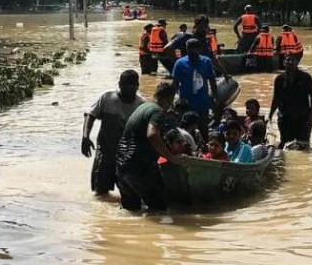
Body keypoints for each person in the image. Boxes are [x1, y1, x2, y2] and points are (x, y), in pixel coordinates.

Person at [116, 82, 185, 211]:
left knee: (131, 211)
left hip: (122, 166)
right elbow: (152, 134)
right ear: (169, 99)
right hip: (140, 167)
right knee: (159, 208)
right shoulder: (157, 111)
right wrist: (171, 158)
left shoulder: (143, 107)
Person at [81, 70, 145, 196]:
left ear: (137, 86)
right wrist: (85, 137)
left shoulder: (141, 105)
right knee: (99, 195)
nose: (131, 91)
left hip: (129, 157)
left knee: (131, 196)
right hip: (106, 153)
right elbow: (90, 115)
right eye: (127, 87)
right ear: (120, 84)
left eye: (134, 87)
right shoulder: (108, 99)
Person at [172, 38, 218, 140]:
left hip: (203, 103)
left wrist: (215, 99)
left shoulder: (206, 61)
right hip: (186, 105)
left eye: (195, 50)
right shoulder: (180, 63)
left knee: (203, 130)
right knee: (185, 132)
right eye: (190, 50)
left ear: (200, 49)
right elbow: (174, 84)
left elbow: (212, 81)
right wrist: (171, 103)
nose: (192, 52)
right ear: (186, 49)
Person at [268, 53, 312, 149]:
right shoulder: (279, 79)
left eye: (292, 60)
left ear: (297, 62)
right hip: (285, 118)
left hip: (303, 118)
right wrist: (270, 115)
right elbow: (276, 98)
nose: (289, 62)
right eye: (287, 60)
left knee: (303, 146)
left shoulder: (306, 78)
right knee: (286, 146)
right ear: (283, 62)